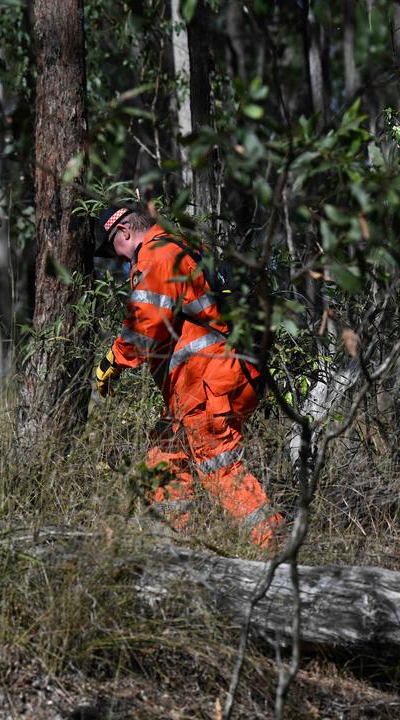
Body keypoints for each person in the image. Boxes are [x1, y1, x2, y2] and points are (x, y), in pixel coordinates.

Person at [93, 203, 283, 548]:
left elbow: (145, 327)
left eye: (113, 249)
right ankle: (175, 546)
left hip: (210, 382)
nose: (119, 259)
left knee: (217, 465)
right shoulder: (182, 246)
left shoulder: (155, 256)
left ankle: (276, 547)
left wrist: (113, 360)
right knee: (164, 456)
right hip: (215, 380)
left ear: (123, 232)